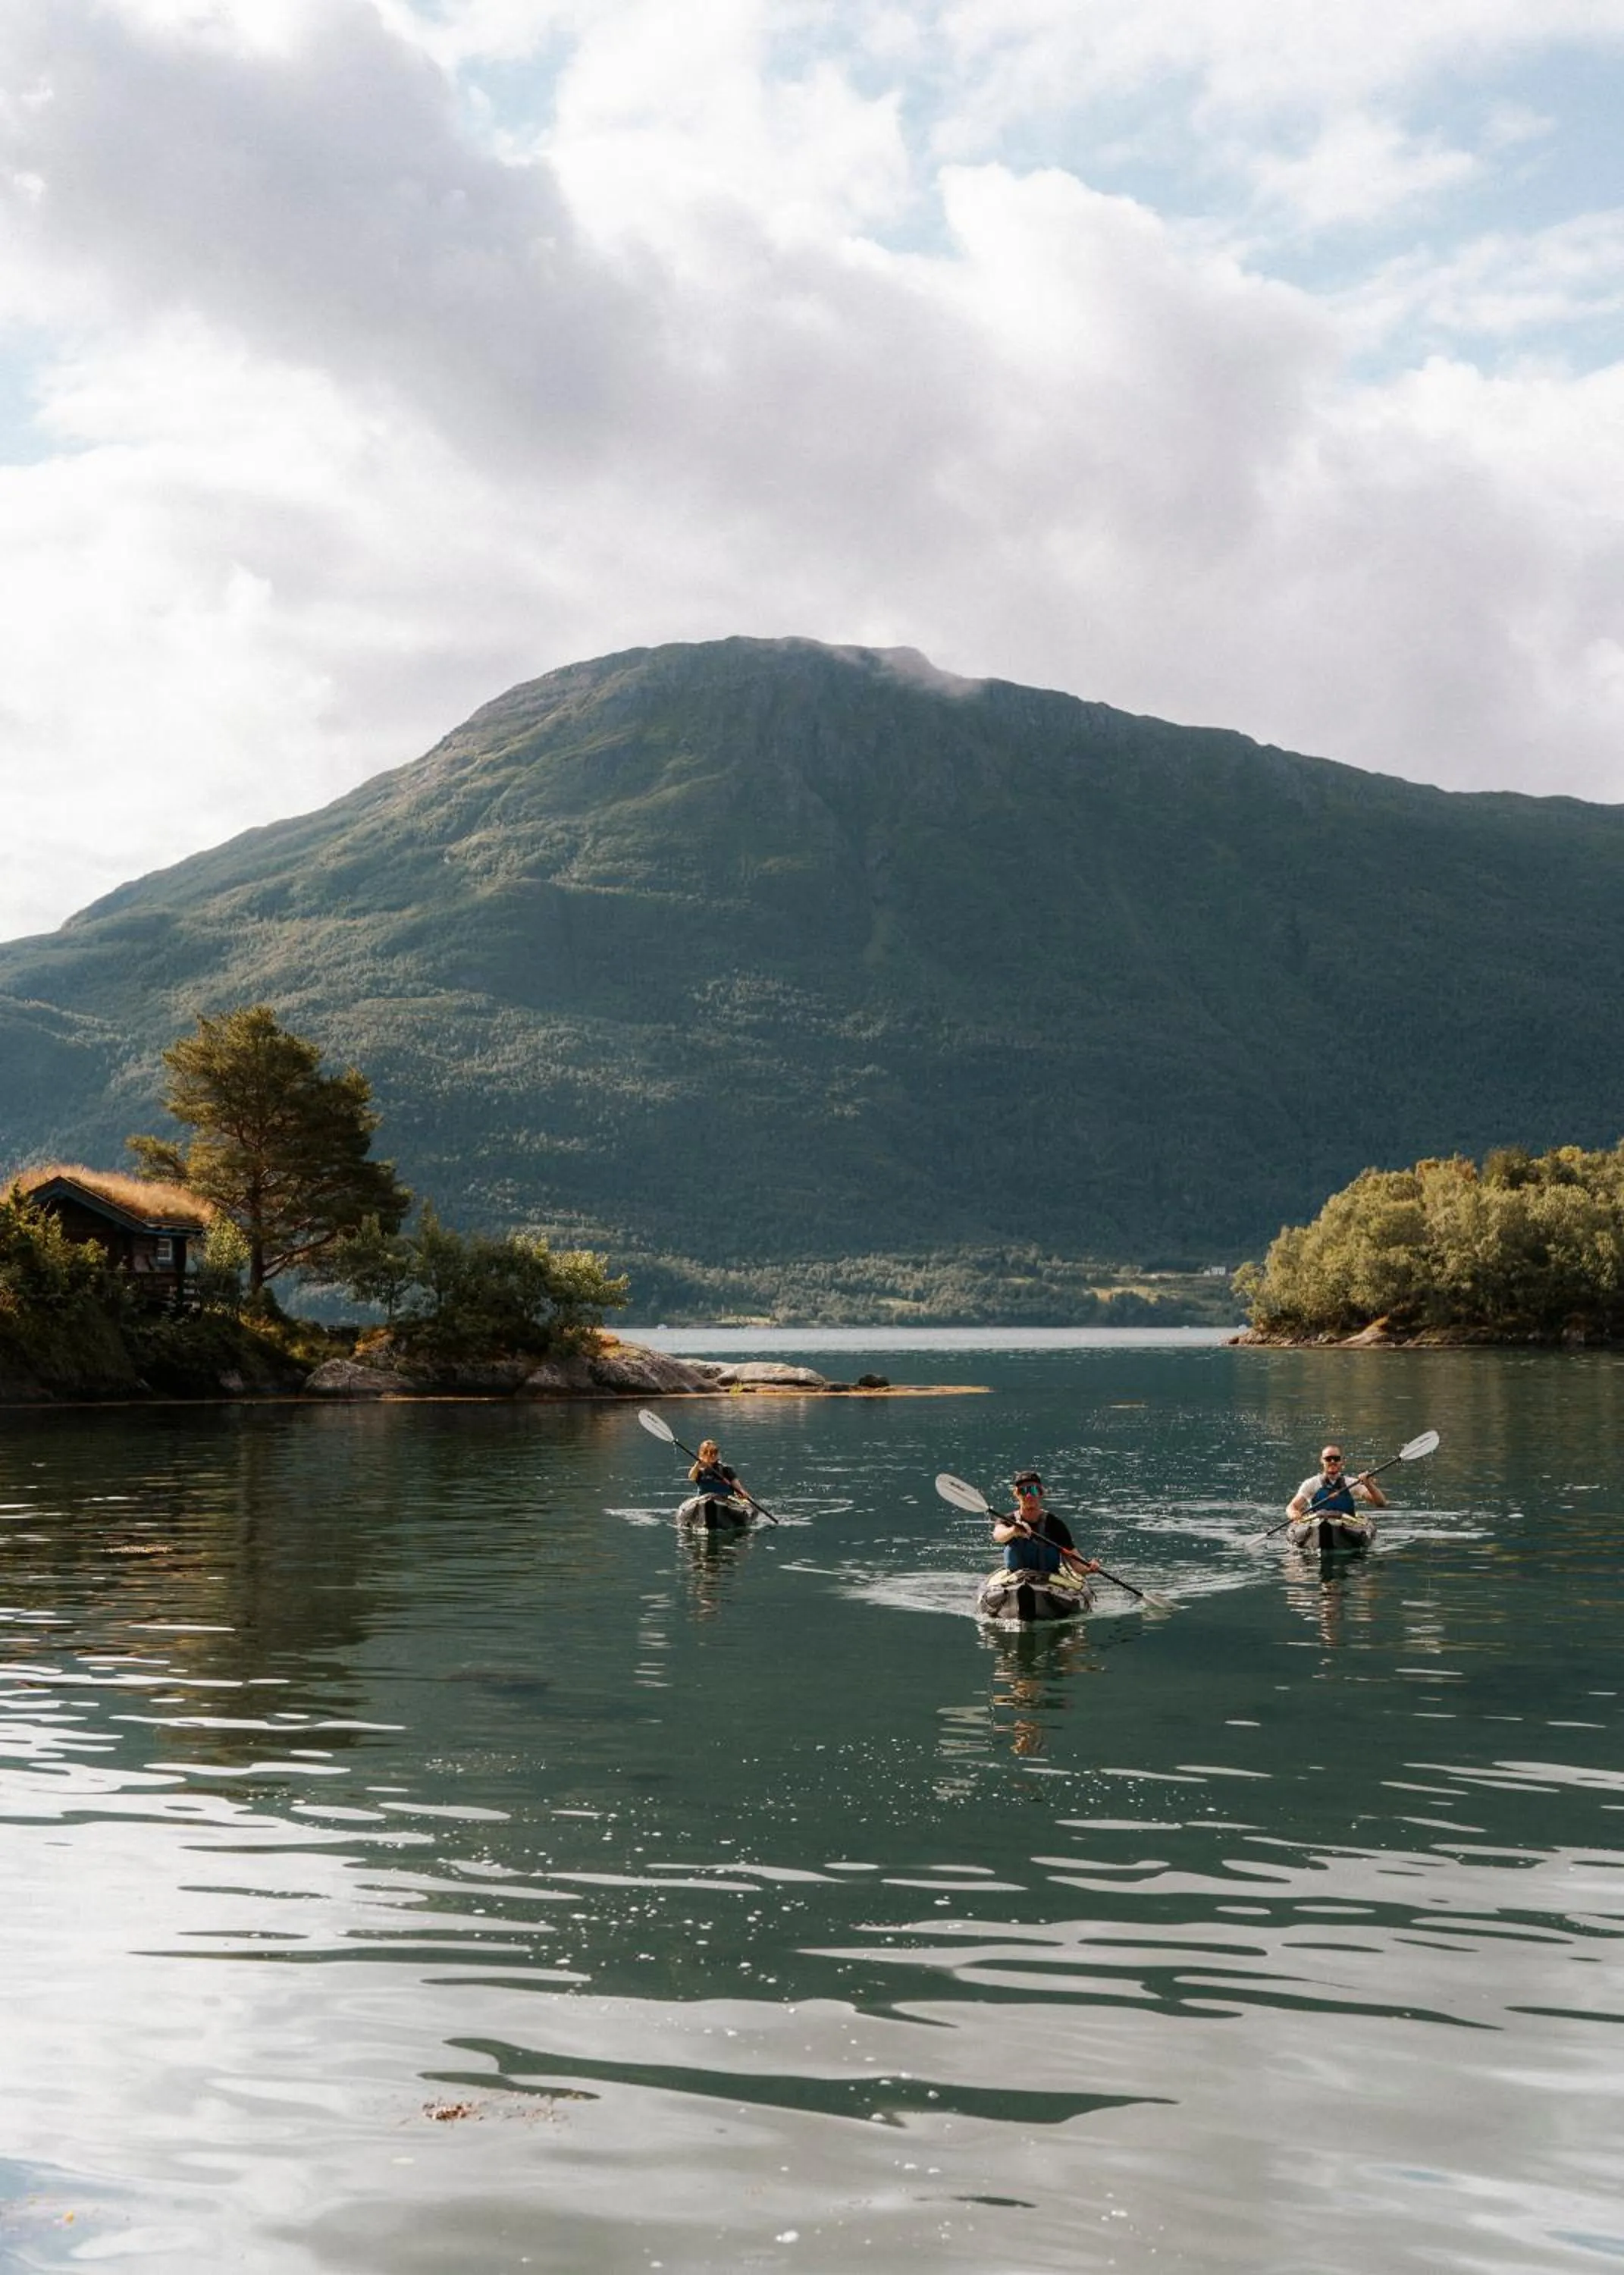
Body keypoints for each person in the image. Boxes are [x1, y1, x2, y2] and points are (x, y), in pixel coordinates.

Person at [992, 1470, 1099, 1578]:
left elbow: (1075, 1563)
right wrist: (1014, 1531)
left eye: (1033, 1490)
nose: (1029, 1495)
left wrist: (1088, 1568)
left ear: (1041, 1493)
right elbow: (998, 1535)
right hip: (1017, 1579)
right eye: (1023, 1491)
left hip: (1048, 1580)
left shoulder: (1054, 1524)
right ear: (1017, 1494)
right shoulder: (1009, 1520)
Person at [1286, 1444, 1387, 1529]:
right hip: (1317, 1526)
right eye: (1328, 1459)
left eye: (1336, 1459)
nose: (1332, 1462)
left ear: (1342, 1461)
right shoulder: (1311, 1484)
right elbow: (1291, 1507)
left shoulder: (1352, 1483)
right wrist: (1294, 1514)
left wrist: (1369, 1485)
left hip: (1347, 1526)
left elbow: (1381, 1503)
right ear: (1322, 1460)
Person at [688, 1439, 747, 1508]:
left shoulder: (725, 1469)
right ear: (702, 1454)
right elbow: (691, 1477)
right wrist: (697, 1465)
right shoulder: (699, 1470)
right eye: (708, 1453)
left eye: (715, 1453)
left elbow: (738, 1487)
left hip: (725, 1501)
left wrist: (742, 1493)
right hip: (704, 1501)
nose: (712, 1455)